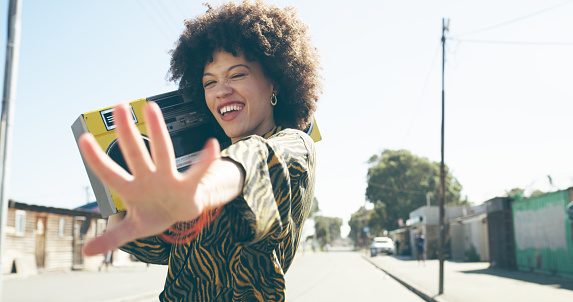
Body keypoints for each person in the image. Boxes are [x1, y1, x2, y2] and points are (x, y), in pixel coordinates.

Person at [79, 1, 321, 301]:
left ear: (274, 80)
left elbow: (256, 160)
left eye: (237, 75)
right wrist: (119, 205)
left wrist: (203, 189)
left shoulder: (294, 146)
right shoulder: (201, 171)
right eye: (210, 82)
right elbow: (164, 250)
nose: (221, 90)